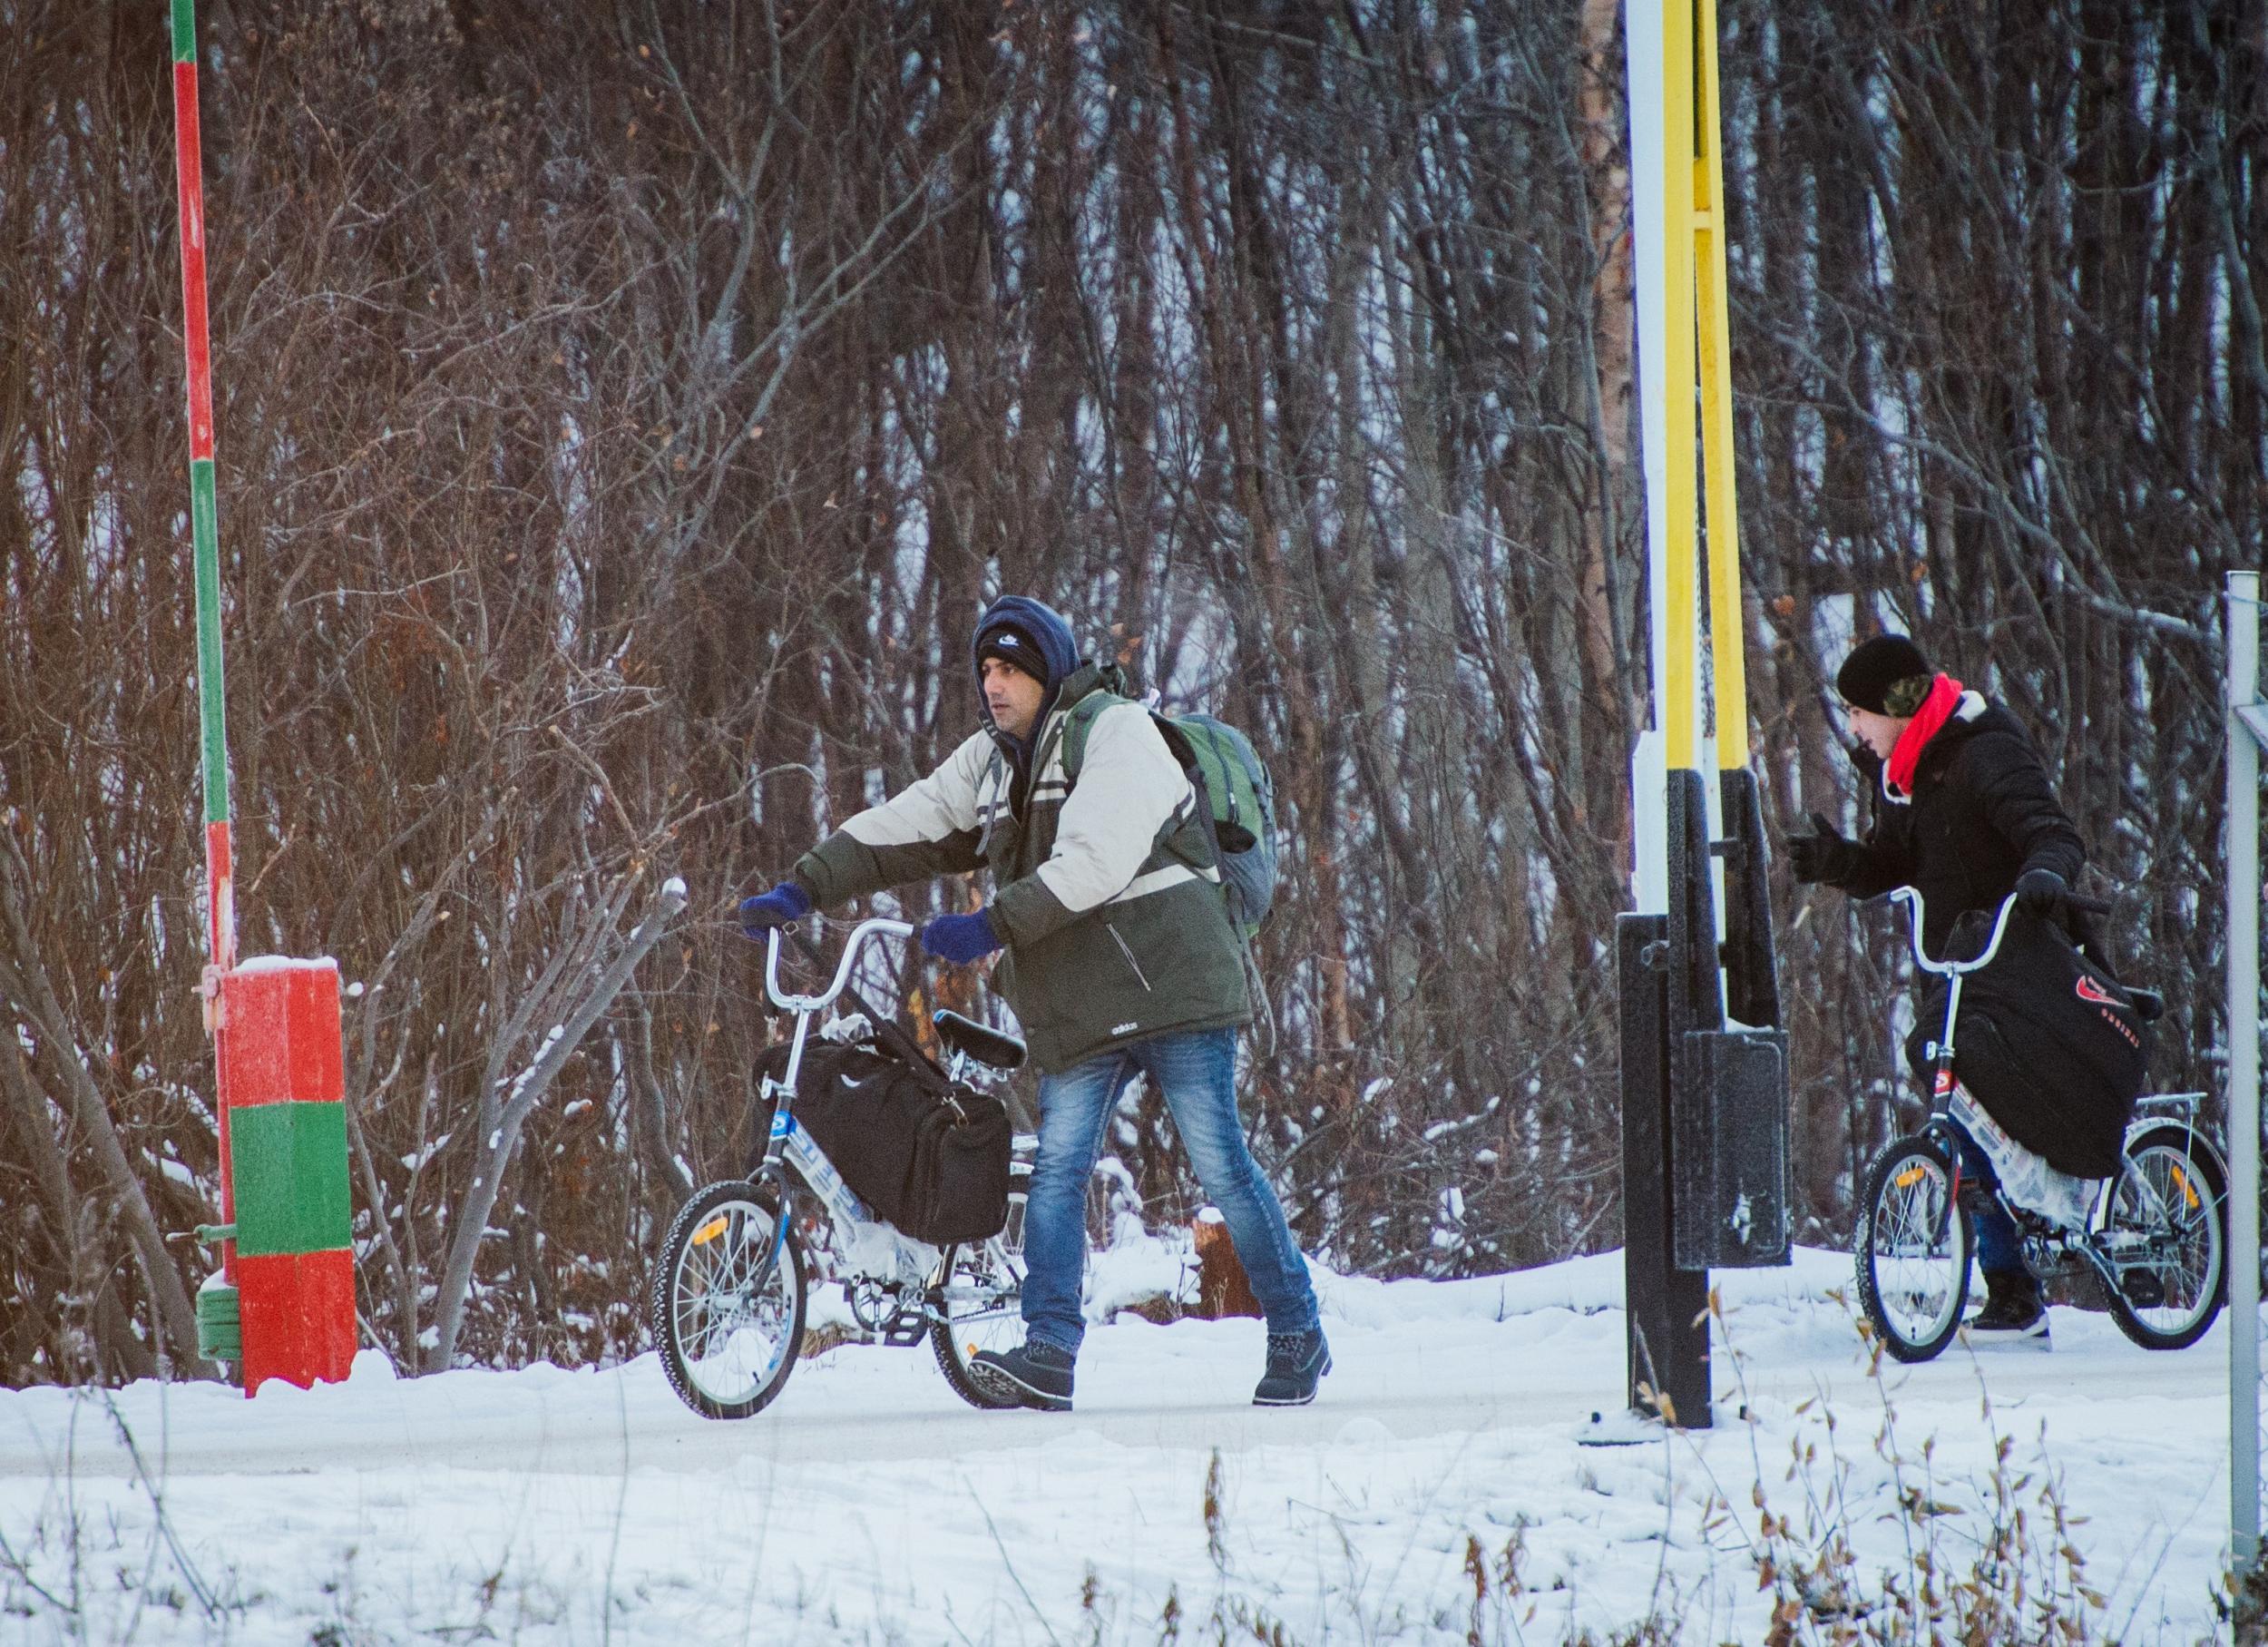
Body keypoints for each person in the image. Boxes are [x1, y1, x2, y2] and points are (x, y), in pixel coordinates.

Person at [737, 595, 1328, 1408]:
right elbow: (904, 820)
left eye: (1010, 668)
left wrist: (988, 925)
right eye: (985, 669)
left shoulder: (1115, 731)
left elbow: (1095, 860)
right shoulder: (991, 764)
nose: (994, 684)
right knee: (1055, 1175)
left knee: (1221, 1163)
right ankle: (1049, 1349)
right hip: (1082, 1008)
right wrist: (803, 886)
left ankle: (1297, 1328)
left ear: (1047, 674)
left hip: (1176, 986)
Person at [1786, 632, 2087, 1347]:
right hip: (1953, 968)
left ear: (1898, 702)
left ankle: (2059, 1244)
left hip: (2017, 958)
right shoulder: (1904, 771)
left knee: (2009, 1110)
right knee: (1963, 1111)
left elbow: (2053, 832)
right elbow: (1895, 862)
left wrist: (2045, 875)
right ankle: (2010, 1284)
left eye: (1859, 711)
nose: (1853, 727)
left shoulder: (1983, 748)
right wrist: (1839, 863)